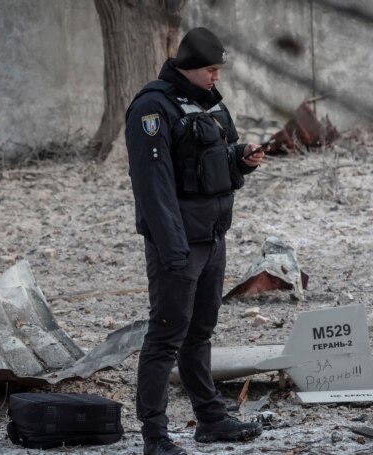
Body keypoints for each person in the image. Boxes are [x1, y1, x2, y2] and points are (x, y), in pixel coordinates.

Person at [125, 27, 265, 455]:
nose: (216, 77)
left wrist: (241, 159)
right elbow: (154, 186)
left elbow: (211, 162)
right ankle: (155, 436)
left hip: (212, 236)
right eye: (211, 70)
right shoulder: (152, 108)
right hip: (179, 243)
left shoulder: (209, 103)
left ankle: (210, 419)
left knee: (200, 332)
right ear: (189, 68)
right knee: (166, 334)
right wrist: (171, 248)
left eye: (219, 69)